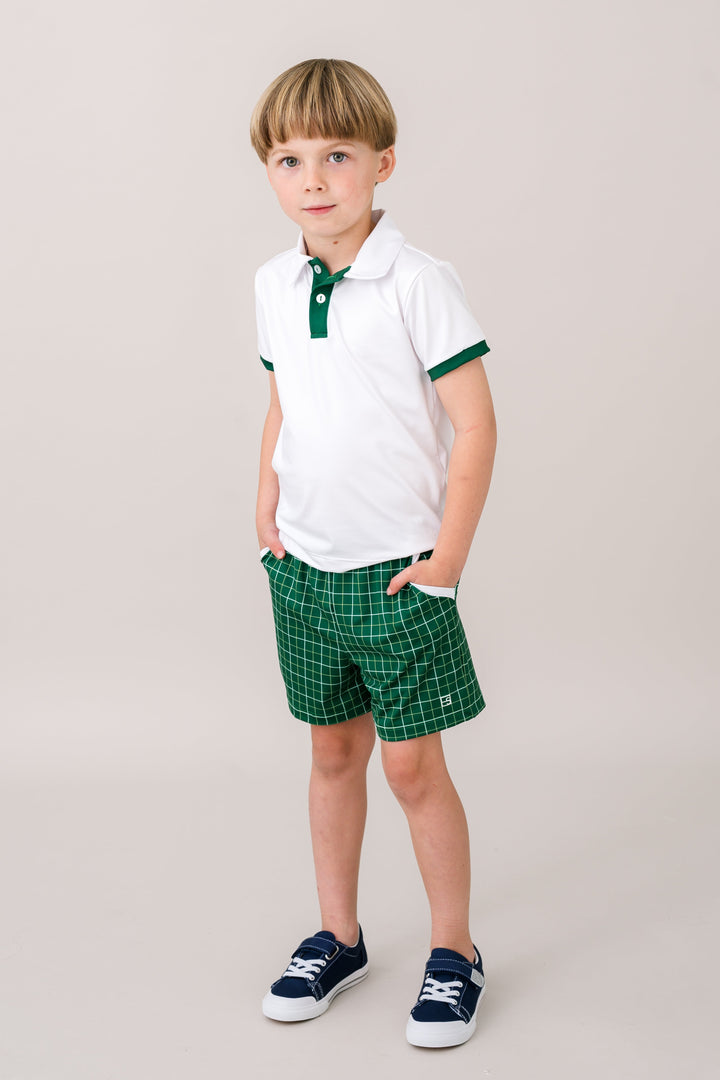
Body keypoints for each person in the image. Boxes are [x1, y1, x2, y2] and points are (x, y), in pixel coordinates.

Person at [249, 58, 497, 1048]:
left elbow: (475, 425)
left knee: (411, 770)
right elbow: (285, 397)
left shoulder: (417, 282)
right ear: (270, 171)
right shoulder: (273, 282)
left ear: (382, 163)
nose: (314, 179)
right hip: (304, 570)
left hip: (397, 572)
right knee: (331, 753)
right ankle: (338, 935)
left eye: (338, 156)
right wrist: (265, 502)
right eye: (290, 159)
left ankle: (454, 952)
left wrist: (446, 562)